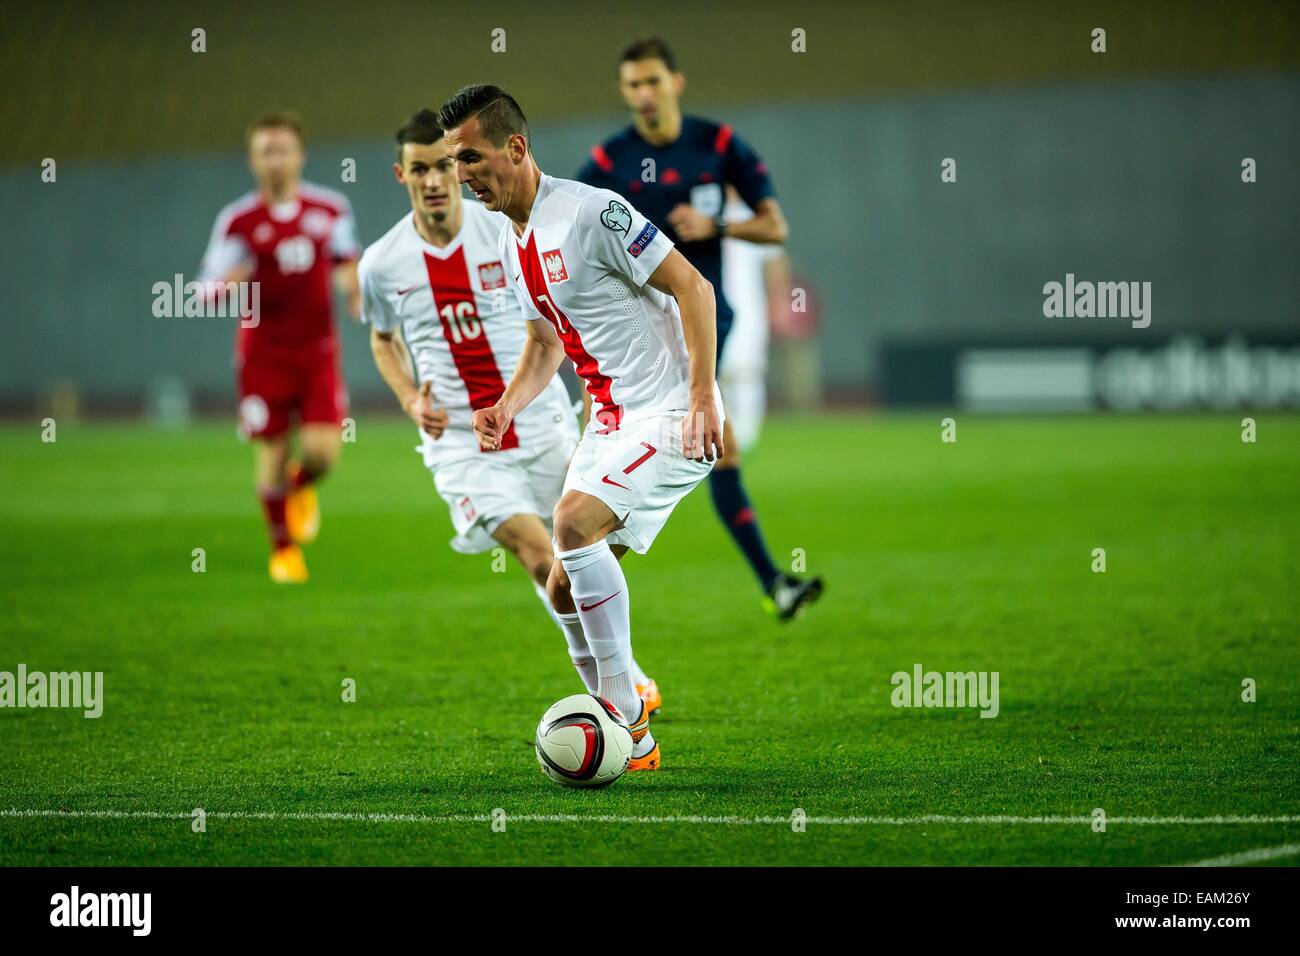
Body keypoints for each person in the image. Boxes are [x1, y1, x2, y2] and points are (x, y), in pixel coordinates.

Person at [439, 84, 726, 770]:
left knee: (568, 524)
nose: (463, 175)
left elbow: (695, 288)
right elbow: (546, 344)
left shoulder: (594, 212)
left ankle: (622, 712)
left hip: (668, 412)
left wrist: (701, 396)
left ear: (516, 147)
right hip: (610, 422)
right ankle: (636, 735)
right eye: (455, 162)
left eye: (472, 157)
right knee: (561, 586)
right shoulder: (513, 242)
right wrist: (507, 405)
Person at [361, 109, 659, 709]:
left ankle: (616, 686)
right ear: (403, 175)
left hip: (542, 420)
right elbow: (383, 338)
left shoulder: (501, 226)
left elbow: (548, 327)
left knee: (576, 558)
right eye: (420, 169)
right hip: (462, 443)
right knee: (539, 550)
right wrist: (407, 395)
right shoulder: (381, 264)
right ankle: (619, 689)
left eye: (448, 164)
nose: (437, 180)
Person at [577, 36, 823, 620]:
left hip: (705, 316)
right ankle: (587, 568)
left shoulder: (717, 144)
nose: (644, 94)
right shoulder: (608, 163)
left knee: (711, 444)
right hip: (642, 332)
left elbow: (775, 227)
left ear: (676, 83)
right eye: (633, 85)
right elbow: (572, 231)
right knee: (711, 443)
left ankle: (584, 570)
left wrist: (716, 225)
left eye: (653, 81)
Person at [198, 112, 359, 583]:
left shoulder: (330, 209)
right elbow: (203, 288)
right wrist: (228, 282)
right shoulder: (238, 221)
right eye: (266, 150)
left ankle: (296, 489)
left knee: (323, 454)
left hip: (318, 352)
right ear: (252, 160)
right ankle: (283, 551)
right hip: (263, 355)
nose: (276, 159)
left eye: (283, 149)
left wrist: (353, 290)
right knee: (270, 451)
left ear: (300, 155)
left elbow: (346, 261)